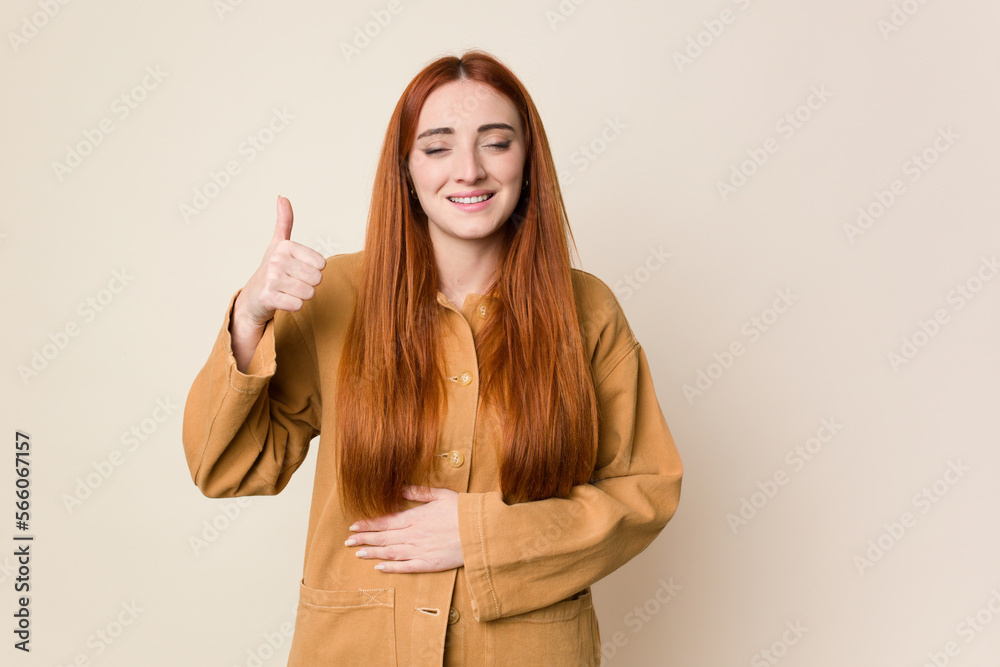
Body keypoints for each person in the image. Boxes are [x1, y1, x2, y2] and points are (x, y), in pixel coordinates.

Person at [182, 49, 683, 666]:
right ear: (406, 168)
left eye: (495, 143)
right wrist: (249, 318)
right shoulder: (334, 296)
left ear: (528, 161)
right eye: (438, 147)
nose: (468, 170)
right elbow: (226, 468)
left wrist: (483, 535)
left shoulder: (586, 309)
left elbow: (645, 491)